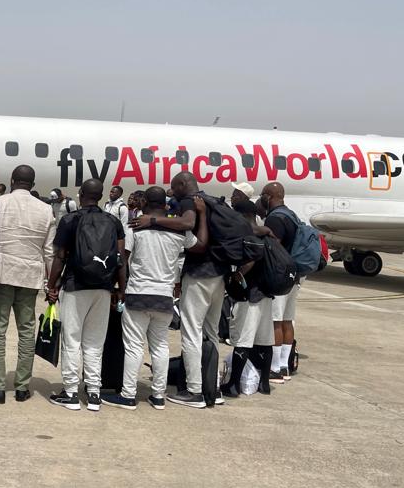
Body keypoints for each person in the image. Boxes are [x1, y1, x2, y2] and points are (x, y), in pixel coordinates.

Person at [103, 186, 206, 410]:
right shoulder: (179, 231)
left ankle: (128, 395)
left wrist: (118, 288)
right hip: (164, 296)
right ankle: (158, 396)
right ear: (166, 205)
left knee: (133, 347)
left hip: (138, 293)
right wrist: (203, 215)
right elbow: (201, 245)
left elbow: (123, 260)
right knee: (160, 346)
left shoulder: (136, 227)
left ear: (144, 204)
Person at [131, 171, 221, 408]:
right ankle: (211, 388)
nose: (174, 191)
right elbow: (200, 242)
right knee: (207, 335)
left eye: (175, 187)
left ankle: (194, 391)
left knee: (188, 333)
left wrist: (152, 221)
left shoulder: (185, 205)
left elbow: (124, 257)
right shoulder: (208, 204)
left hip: (174, 282)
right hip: (214, 277)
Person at [45, 179, 127, 411]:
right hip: (103, 288)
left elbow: (59, 255)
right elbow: (120, 259)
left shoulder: (70, 220)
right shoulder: (113, 222)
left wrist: (51, 286)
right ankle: (93, 393)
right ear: (101, 196)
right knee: (94, 342)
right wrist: (120, 289)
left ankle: (71, 392)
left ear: (80, 194)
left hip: (75, 285)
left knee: (72, 340)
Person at [0, 165, 55, 404]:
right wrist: (50, 283)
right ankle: (23, 387)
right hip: (31, 277)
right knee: (26, 331)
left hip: (3, 274)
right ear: (32, 185)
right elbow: (49, 252)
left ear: (12, 180)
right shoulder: (46, 210)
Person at [224, 199, 276, 397]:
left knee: (243, 340)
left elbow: (252, 259)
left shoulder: (249, 234)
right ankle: (264, 384)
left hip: (251, 295)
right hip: (267, 294)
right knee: (265, 339)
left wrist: (237, 275)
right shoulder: (267, 232)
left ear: (243, 214)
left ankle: (234, 384)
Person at [260, 182, 301, 384]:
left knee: (275, 320)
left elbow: (273, 249)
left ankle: (274, 368)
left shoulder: (275, 218)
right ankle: (285, 365)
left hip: (280, 276)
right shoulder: (291, 215)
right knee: (287, 319)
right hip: (295, 276)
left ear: (269, 196)